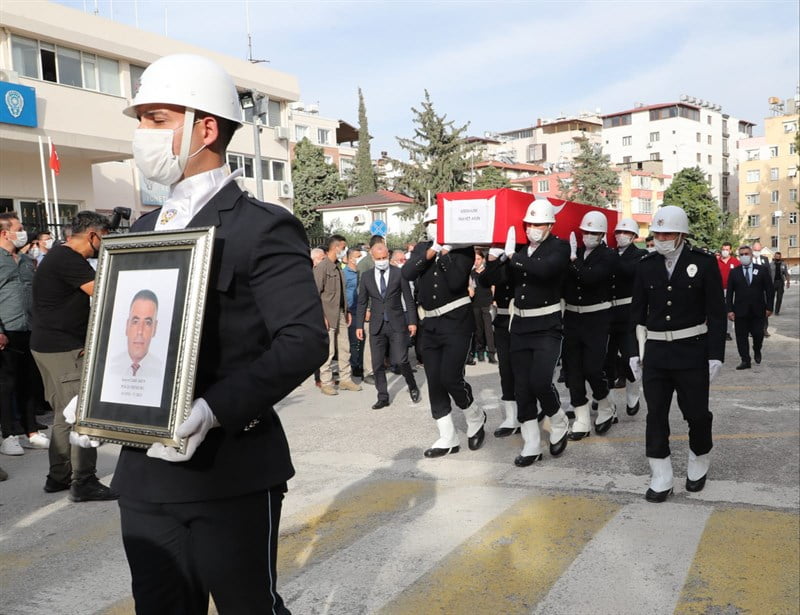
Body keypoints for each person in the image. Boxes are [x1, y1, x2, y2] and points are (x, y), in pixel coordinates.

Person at [78, 53, 328, 614]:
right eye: (140, 120)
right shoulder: (143, 228)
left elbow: (304, 339)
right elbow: (123, 331)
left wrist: (214, 408)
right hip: (145, 477)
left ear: (205, 128)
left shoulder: (261, 226)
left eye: (155, 119)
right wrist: (98, 396)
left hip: (228, 469)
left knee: (247, 607)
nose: (141, 135)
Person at [630, 205, 726, 502]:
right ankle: (661, 474)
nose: (661, 238)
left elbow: (717, 313)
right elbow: (636, 314)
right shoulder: (646, 265)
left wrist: (715, 354)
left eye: (667, 233)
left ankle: (699, 458)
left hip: (692, 350)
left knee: (696, 414)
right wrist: (634, 352)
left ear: (682, 234)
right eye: (657, 233)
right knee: (655, 414)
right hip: (657, 352)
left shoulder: (704, 263)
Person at [30, 210, 115, 501]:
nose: (106, 243)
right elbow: (102, 290)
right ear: (93, 235)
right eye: (105, 238)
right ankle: (84, 481)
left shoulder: (58, 256)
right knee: (82, 415)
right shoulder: (68, 260)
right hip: (64, 349)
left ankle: (59, 476)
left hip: (47, 346)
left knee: (62, 415)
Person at [484, 198, 571, 466]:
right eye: (528, 224)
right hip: (519, 326)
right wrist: (494, 259)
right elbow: (487, 281)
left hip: (547, 325)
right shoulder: (519, 252)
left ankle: (558, 420)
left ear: (549, 225)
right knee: (522, 386)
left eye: (538, 224)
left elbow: (544, 271)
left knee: (540, 381)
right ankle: (531, 443)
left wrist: (513, 258)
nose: (532, 228)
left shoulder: (559, 247)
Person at [402, 205, 485, 458]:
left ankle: (474, 416)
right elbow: (406, 273)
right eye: (430, 222)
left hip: (457, 322)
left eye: (438, 221)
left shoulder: (463, 250)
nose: (433, 225)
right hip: (431, 325)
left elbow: (456, 282)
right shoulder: (421, 249)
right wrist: (432, 251)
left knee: (451, 377)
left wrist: (446, 251)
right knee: (435, 382)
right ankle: (447, 436)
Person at [563, 211, 619, 440]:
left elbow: (590, 278)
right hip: (573, 318)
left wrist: (573, 262)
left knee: (593, 368)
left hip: (597, 317)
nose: (588, 236)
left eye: (593, 232)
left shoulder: (608, 256)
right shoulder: (575, 252)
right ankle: (582, 417)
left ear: (602, 234)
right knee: (572, 370)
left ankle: (605, 405)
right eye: (585, 231)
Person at [0, 213, 50, 456]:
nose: (23, 233)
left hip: (29, 328)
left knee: (29, 382)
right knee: (6, 385)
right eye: (19, 228)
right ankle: (8, 435)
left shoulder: (25, 259)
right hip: (6, 330)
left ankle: (31, 431)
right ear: (4, 232)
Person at [355, 243, 420, 408]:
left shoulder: (399, 273)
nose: (382, 261)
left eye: (384, 258)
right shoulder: (367, 276)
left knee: (401, 359)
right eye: (379, 259)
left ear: (388, 256)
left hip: (397, 323)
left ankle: (412, 385)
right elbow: (362, 302)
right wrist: (359, 325)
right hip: (377, 324)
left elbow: (409, 298)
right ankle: (382, 396)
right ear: (372, 257)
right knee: (377, 363)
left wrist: (412, 321)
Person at [604, 218, 647, 416]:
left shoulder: (640, 255)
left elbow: (629, 272)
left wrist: (608, 258)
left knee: (631, 359)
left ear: (633, 236)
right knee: (607, 362)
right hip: (608, 314)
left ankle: (633, 391)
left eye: (625, 232)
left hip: (629, 314)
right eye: (618, 232)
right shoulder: (610, 254)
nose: (620, 236)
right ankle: (609, 405)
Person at [314, 234, 362, 396]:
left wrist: (346, 311)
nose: (345, 250)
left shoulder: (337, 267)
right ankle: (326, 382)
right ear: (336, 247)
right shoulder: (322, 267)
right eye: (343, 247)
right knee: (329, 350)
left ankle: (345, 379)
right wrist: (322, 316)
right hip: (327, 315)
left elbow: (341, 293)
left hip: (341, 313)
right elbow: (315, 294)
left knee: (344, 347)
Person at [101, 290, 165, 408]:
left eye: (148, 322)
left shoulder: (163, 371)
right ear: (127, 326)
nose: (140, 331)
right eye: (135, 321)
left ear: (155, 329)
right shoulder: (107, 368)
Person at [726, 245, 774, 369]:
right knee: (741, 337)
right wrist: (729, 310)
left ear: (751, 255)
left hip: (758, 310)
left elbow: (769, 290)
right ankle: (745, 360)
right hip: (740, 311)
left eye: (746, 254)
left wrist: (769, 307)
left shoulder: (762, 270)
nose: (744, 256)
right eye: (741, 254)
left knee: (758, 334)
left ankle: (757, 349)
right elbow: (730, 293)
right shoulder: (734, 272)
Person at [469, 249, 497, 364]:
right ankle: (480, 351)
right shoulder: (471, 273)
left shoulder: (488, 272)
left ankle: (491, 353)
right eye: (475, 259)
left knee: (488, 329)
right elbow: (470, 288)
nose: (476, 261)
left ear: (483, 259)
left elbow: (493, 286)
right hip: (475, 304)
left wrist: (494, 300)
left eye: (478, 259)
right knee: (478, 330)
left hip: (487, 302)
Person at [343, 248, 363, 377]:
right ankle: (355, 365)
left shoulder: (362, 271)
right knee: (354, 340)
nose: (360, 258)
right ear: (350, 259)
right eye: (358, 256)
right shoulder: (344, 273)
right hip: (352, 310)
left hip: (363, 309)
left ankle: (362, 363)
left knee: (363, 339)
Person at [717, 242, 740, 341]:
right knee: (718, 310)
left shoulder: (736, 262)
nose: (724, 251)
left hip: (732, 290)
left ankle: (728, 332)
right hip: (718, 290)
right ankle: (718, 330)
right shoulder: (716, 262)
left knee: (729, 311)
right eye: (723, 249)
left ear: (730, 251)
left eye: (726, 249)